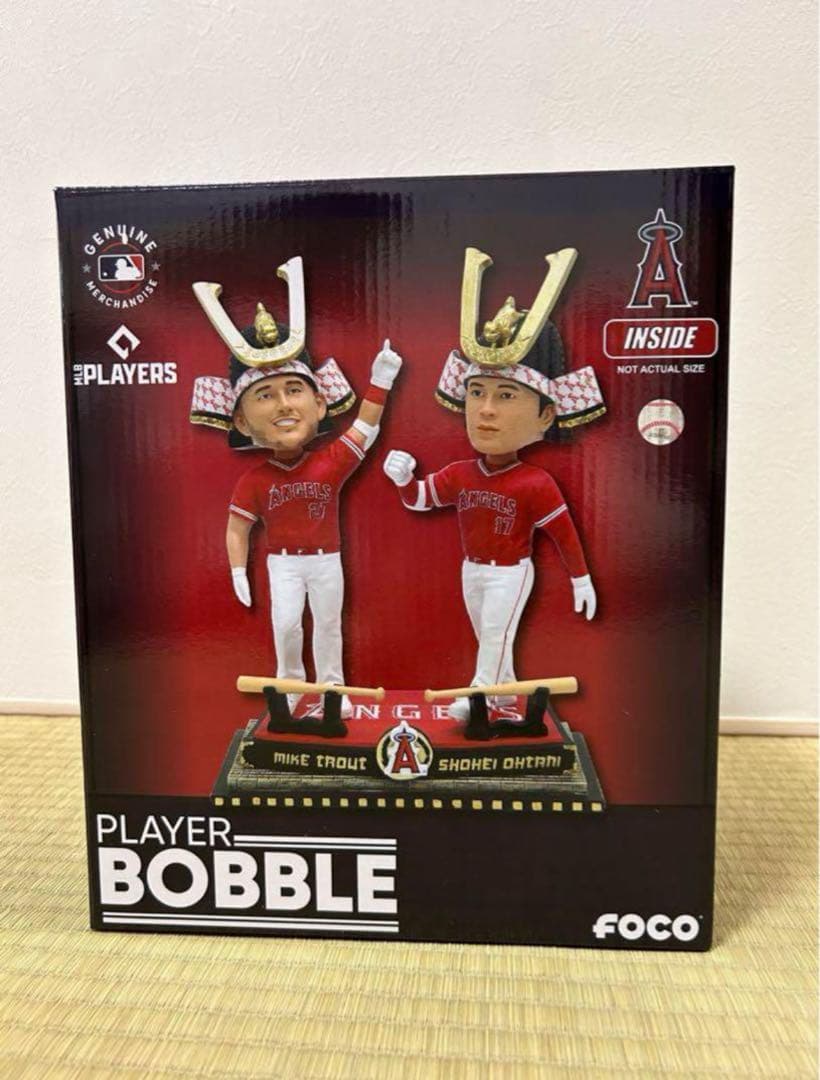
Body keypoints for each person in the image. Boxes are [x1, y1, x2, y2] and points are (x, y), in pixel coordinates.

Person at [191, 266, 402, 718]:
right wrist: (238, 571)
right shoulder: (255, 481)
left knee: (328, 627)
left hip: (326, 561)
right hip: (282, 563)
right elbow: (237, 528)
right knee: (286, 626)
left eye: (293, 390)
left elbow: (365, 429)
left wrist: (382, 379)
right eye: (265, 395)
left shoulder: (330, 462)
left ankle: (332, 690)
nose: (284, 404)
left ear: (320, 403)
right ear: (241, 421)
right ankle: (290, 686)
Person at [384, 287, 602, 723]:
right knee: (492, 638)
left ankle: (479, 697)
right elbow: (421, 499)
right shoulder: (461, 473)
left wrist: (581, 579)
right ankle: (504, 699)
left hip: (510, 571)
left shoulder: (536, 482)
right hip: (472, 569)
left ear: (546, 415)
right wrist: (403, 478)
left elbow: (563, 534)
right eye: (476, 392)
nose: (485, 410)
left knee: (494, 635)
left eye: (505, 396)